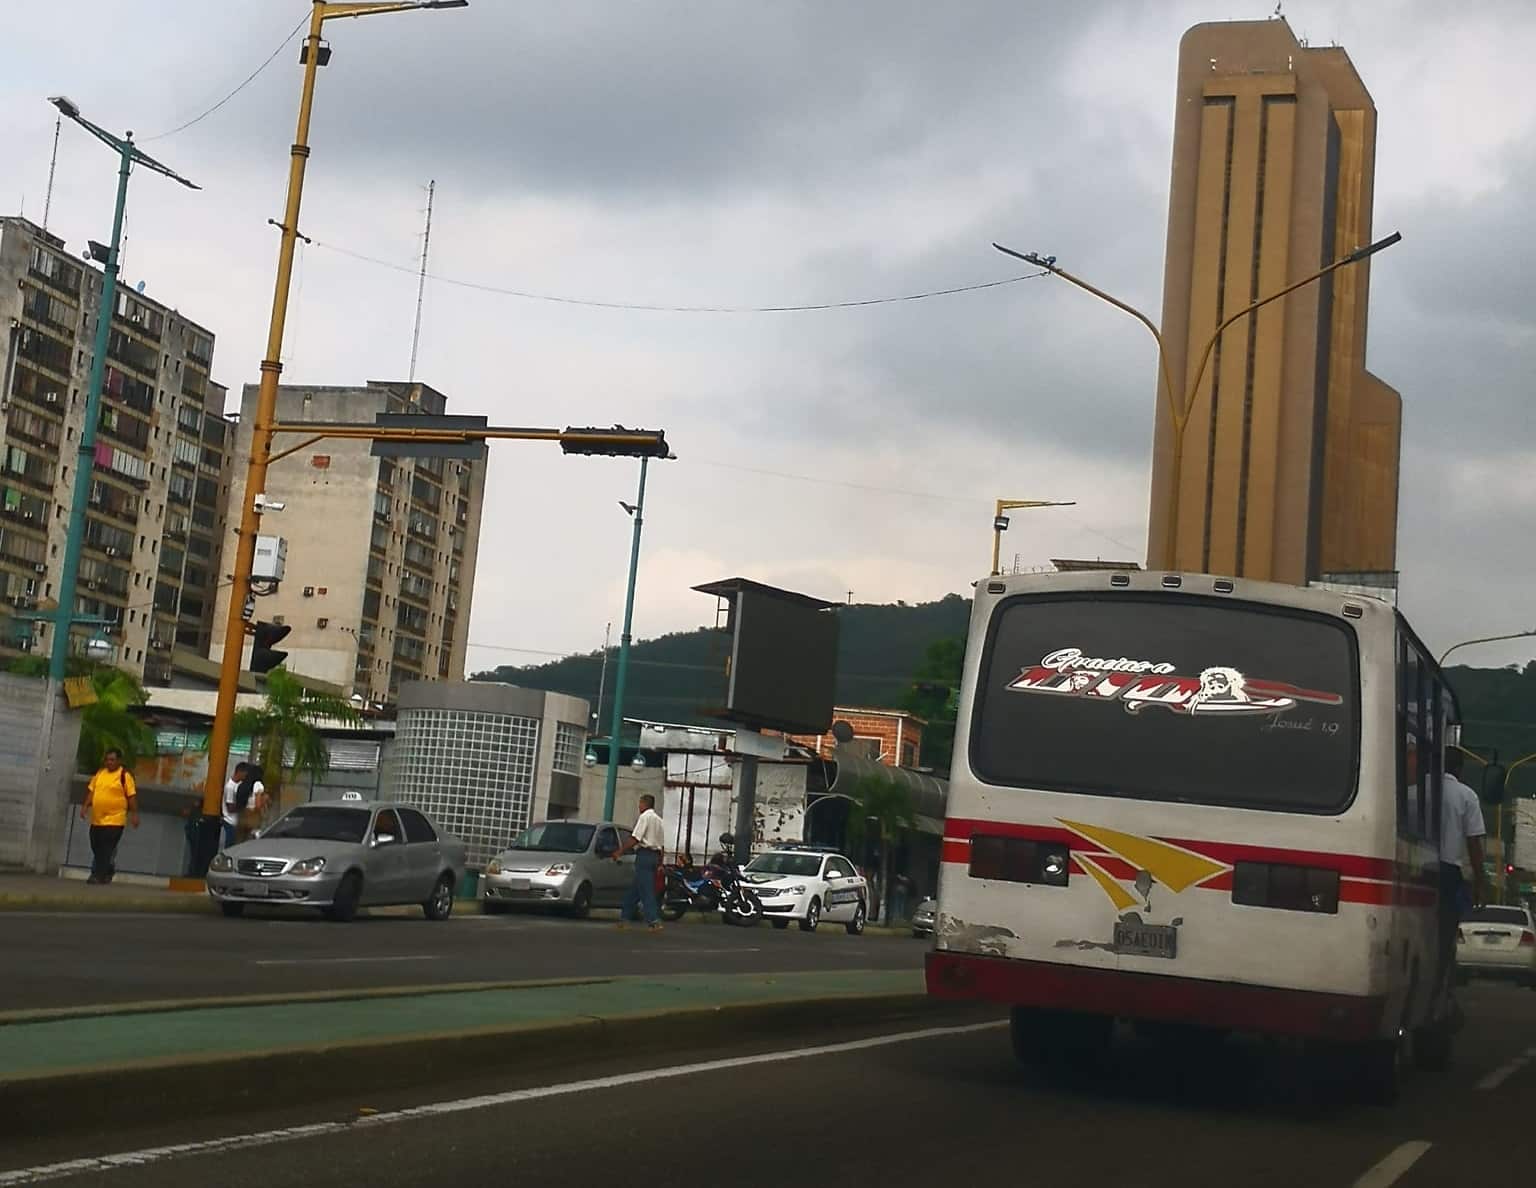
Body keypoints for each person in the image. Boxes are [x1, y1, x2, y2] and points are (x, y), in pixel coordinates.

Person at [1437, 746, 1487, 1004]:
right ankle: (1441, 988)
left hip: (1414, 868)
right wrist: (1481, 882)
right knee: (1445, 934)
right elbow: (1474, 845)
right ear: (1459, 769)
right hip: (1448, 873)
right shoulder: (1466, 796)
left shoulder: (1413, 791)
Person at [80, 749, 139, 884]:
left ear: (119, 761)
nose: (109, 762)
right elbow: (91, 791)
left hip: (115, 820)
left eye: (112, 760)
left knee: (106, 848)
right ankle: (108, 869)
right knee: (95, 845)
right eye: (107, 760)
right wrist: (85, 806)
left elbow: (131, 796)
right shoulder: (100, 773)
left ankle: (97, 875)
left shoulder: (124, 776)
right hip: (97, 819)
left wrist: (134, 814)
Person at [613, 794, 665, 931]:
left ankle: (654, 920)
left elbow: (635, 838)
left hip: (644, 855)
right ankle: (624, 918)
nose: (638, 806)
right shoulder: (659, 820)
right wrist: (660, 862)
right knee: (634, 890)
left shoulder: (644, 818)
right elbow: (661, 844)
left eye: (640, 803)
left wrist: (620, 851)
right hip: (655, 856)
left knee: (646, 890)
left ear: (644, 804)